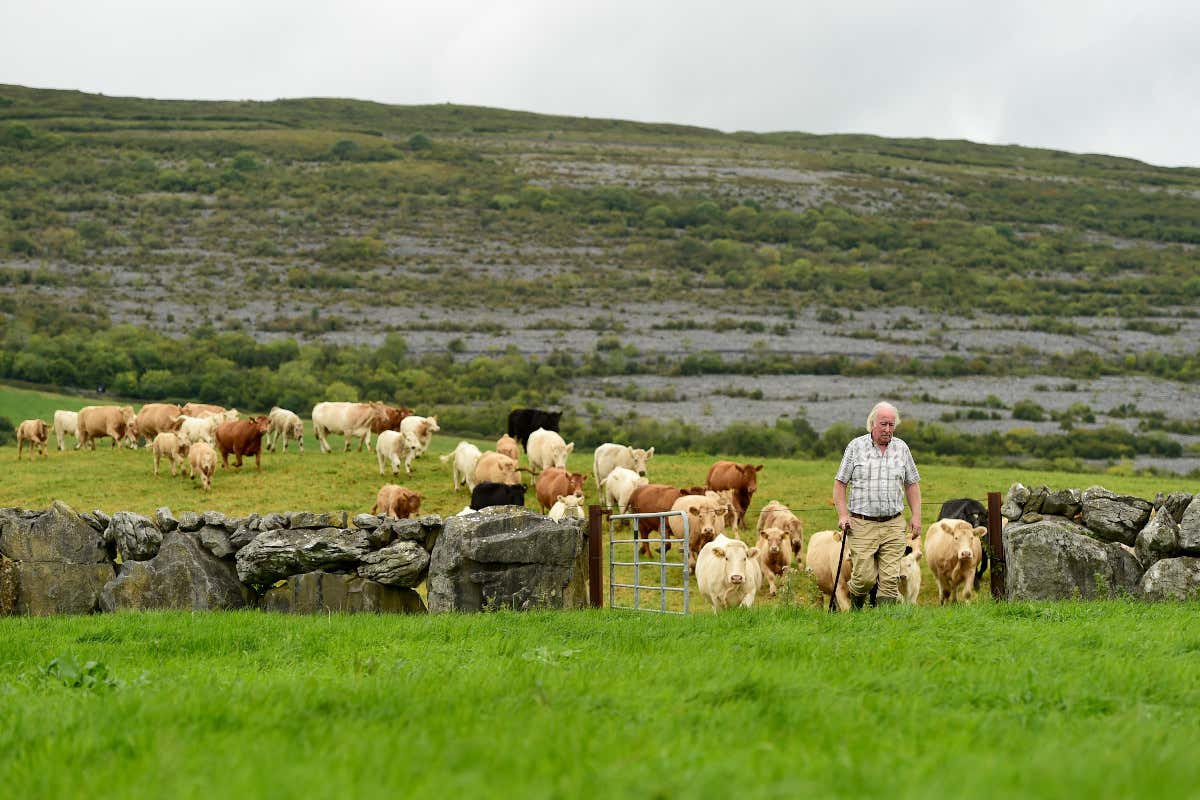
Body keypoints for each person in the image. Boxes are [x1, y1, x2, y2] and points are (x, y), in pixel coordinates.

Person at [832, 401, 921, 608]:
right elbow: (840, 483)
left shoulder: (902, 449)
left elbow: (912, 485)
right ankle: (855, 610)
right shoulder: (856, 447)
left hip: (893, 524)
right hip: (862, 524)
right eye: (884, 424)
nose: (888, 430)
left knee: (890, 581)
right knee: (864, 578)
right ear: (872, 423)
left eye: (891, 425)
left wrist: (916, 516)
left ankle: (883, 624)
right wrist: (843, 515)